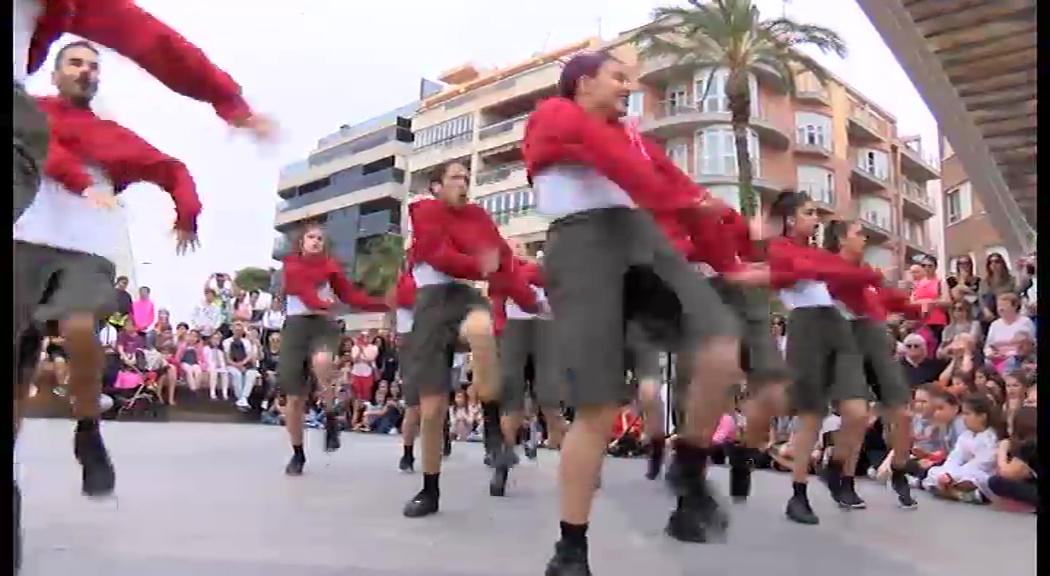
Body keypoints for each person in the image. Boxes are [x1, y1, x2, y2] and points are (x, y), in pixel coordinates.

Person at [523, 52, 761, 572]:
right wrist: (684, 198)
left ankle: (690, 465)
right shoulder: (556, 114)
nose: (628, 87)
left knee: (722, 346)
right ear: (584, 83)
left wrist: (730, 260)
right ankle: (571, 548)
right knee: (598, 409)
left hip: (642, 242)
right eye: (618, 77)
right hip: (582, 245)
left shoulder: (634, 139)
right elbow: (626, 168)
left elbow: (685, 197)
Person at [399, 162, 540, 518]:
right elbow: (440, 256)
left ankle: (493, 429)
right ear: (435, 186)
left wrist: (532, 301)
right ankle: (430, 490)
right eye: (455, 179)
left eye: (466, 178)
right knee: (432, 413)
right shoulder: (423, 210)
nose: (463, 184)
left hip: (464, 298)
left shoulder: (476, 216)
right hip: (430, 307)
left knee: (481, 330)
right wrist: (481, 264)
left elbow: (505, 263)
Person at [762, 191, 887, 525]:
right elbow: (808, 270)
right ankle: (798, 493)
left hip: (837, 324)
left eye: (815, 212)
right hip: (806, 326)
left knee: (857, 410)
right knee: (812, 415)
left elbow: (843, 278)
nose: (816, 218)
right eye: (809, 212)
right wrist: (859, 274)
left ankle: (835, 470)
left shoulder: (817, 252)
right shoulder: (778, 247)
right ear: (790, 219)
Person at [823, 219, 920, 509]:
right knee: (857, 415)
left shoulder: (868, 276)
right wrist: (873, 275)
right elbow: (842, 283)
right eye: (858, 234)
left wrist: (920, 304)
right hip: (846, 342)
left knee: (902, 413)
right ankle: (844, 477)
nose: (864, 238)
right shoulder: (831, 267)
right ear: (841, 239)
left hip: (875, 337)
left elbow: (891, 299)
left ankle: (899, 470)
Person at [277, 222, 387, 475]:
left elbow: (350, 296)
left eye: (320, 238)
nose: (316, 241)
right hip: (295, 326)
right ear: (302, 242)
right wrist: (326, 304)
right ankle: (298, 453)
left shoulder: (330, 267)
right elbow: (307, 296)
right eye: (311, 237)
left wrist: (381, 304)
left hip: (322, 325)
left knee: (324, 361)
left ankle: (329, 414)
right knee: (294, 399)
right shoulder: (291, 266)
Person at [488, 242, 564, 497]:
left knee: (550, 400)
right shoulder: (505, 274)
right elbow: (496, 299)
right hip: (515, 331)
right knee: (512, 400)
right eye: (513, 246)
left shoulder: (540, 271)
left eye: (521, 246)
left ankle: (584, 462)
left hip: (544, 330)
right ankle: (503, 464)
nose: (517, 249)